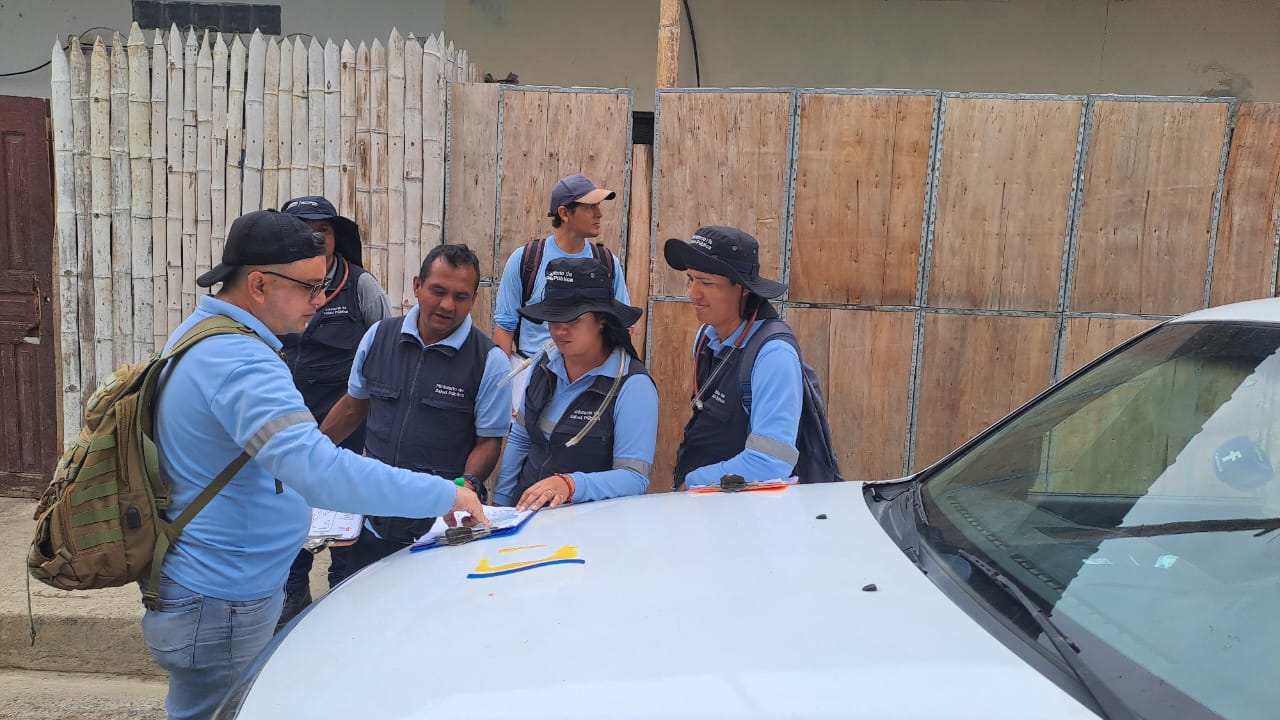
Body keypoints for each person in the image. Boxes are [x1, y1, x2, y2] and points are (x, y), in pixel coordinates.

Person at [145, 209, 487, 720]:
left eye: (324, 286)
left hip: (207, 585)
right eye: (309, 287)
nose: (321, 300)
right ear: (259, 284)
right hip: (222, 596)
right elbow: (319, 471)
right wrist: (444, 494)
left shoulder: (203, 335)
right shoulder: (240, 362)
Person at [320, 243, 511, 573]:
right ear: (417, 285)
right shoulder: (378, 337)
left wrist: (465, 486)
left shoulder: (489, 361)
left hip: (438, 530)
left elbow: (489, 441)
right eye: (438, 291)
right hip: (371, 519)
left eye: (461, 296)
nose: (447, 305)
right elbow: (352, 407)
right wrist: (309, 454)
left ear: (474, 299)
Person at [276, 195, 392, 628]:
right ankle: (293, 595)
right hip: (289, 422)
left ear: (335, 237)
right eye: (304, 232)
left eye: (322, 232)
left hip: (349, 426)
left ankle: (342, 596)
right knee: (291, 510)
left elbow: (384, 350)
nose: (315, 239)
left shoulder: (360, 286)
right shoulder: (275, 287)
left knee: (346, 513)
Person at [493, 257, 658, 510]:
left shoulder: (633, 387)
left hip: (588, 526)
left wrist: (570, 486)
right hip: (525, 518)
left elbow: (634, 478)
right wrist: (501, 504)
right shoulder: (542, 363)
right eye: (553, 319)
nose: (560, 330)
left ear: (602, 320)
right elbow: (521, 439)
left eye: (573, 320)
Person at [663, 226, 805, 489]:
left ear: (742, 288)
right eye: (691, 279)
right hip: (706, 504)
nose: (693, 293)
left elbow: (771, 463)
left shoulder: (774, 356)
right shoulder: (706, 338)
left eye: (707, 283)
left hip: (745, 511)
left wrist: (693, 483)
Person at [494, 174, 630, 408]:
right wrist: (506, 395)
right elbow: (505, 328)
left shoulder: (607, 263)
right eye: (590, 207)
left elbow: (623, 328)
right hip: (532, 381)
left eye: (599, 206)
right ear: (565, 213)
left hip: (588, 384)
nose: (599, 214)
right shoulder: (526, 260)